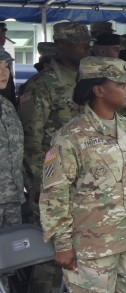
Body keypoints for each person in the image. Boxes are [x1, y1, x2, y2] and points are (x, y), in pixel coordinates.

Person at [39, 56, 126, 293]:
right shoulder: (71, 136)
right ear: (98, 90)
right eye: (120, 83)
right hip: (91, 246)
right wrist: (62, 244)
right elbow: (54, 192)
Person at [19, 22, 90, 213]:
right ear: (61, 46)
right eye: (80, 43)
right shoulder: (42, 85)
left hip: (87, 178)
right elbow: (31, 141)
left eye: (87, 43)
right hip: (54, 180)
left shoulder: (89, 81)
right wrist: (44, 183)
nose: (87, 47)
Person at [0, 50, 24, 227]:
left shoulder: (7, 106)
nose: (4, 72)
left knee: (14, 252)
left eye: (6, 66)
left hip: (12, 197)